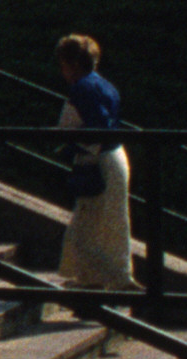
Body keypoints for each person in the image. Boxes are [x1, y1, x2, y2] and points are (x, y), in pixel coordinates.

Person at [53, 31, 137, 300]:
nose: (62, 72)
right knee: (113, 221)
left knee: (86, 226)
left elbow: (95, 127)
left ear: (73, 64)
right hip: (115, 156)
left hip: (97, 160)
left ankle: (98, 280)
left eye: (64, 65)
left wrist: (70, 146)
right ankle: (117, 276)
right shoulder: (105, 86)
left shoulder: (82, 88)